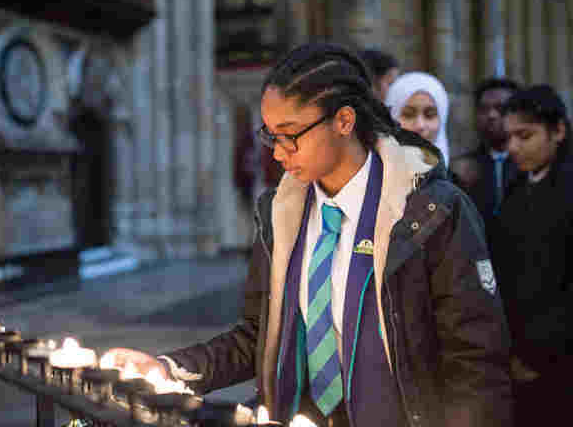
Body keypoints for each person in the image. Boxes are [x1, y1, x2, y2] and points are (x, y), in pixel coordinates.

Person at [108, 43, 512, 427]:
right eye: (270, 135)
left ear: (344, 121)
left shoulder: (430, 212)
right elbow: (259, 336)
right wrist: (169, 369)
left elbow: (475, 362)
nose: (278, 152)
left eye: (291, 133)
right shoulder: (281, 213)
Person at [490, 85, 573, 427]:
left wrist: (534, 357)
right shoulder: (519, 186)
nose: (514, 147)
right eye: (509, 137)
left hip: (560, 363)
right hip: (512, 357)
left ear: (558, 131)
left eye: (525, 135)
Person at [451, 78, 520, 227]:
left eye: (501, 109)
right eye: (484, 109)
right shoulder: (463, 168)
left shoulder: (529, 164)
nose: (491, 115)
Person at [385, 72, 450, 167]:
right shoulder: (369, 177)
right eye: (408, 115)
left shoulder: (460, 179)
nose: (420, 125)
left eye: (430, 115)